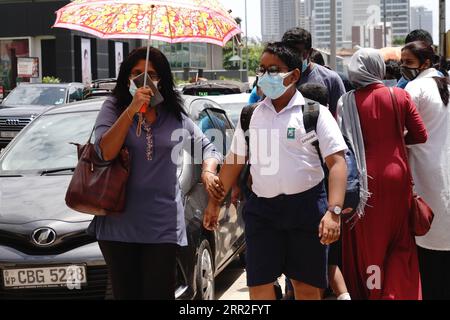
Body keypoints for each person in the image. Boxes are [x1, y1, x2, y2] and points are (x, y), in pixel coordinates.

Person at [204, 42, 348, 300]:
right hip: (262, 213)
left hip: (306, 210)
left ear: (293, 75)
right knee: (259, 288)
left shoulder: (314, 114)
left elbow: (337, 163)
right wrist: (214, 204)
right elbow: (234, 162)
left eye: (273, 69)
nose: (265, 75)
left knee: (306, 289)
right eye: (262, 69)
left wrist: (334, 212)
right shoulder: (251, 115)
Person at [87, 47, 224, 300]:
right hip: (118, 224)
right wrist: (132, 109)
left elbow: (208, 148)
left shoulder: (173, 115)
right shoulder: (113, 107)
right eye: (136, 73)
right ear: (126, 77)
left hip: (162, 225)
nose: (144, 79)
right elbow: (104, 152)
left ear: (163, 79)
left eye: (152, 74)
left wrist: (207, 171)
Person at [338, 48, 428, 300]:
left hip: (363, 183)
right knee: (400, 241)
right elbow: (420, 135)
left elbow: (340, 143)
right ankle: (397, 293)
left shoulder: (346, 101)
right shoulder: (399, 95)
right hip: (396, 175)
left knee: (370, 243)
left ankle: (374, 291)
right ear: (378, 67)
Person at [280, 83, 351, 301]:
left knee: (307, 269)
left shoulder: (311, 127)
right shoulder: (333, 129)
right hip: (332, 207)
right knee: (327, 263)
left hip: (317, 206)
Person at [402, 41, 450, 300]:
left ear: (426, 63)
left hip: (425, 174)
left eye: (408, 62)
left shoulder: (415, 88)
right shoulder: (446, 85)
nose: (403, 67)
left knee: (428, 256)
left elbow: (402, 131)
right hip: (443, 172)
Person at [282, 27, 346, 116]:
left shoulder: (331, 79)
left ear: (309, 52)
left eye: (298, 53)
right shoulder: (277, 78)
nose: (293, 58)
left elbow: (341, 116)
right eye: (289, 54)